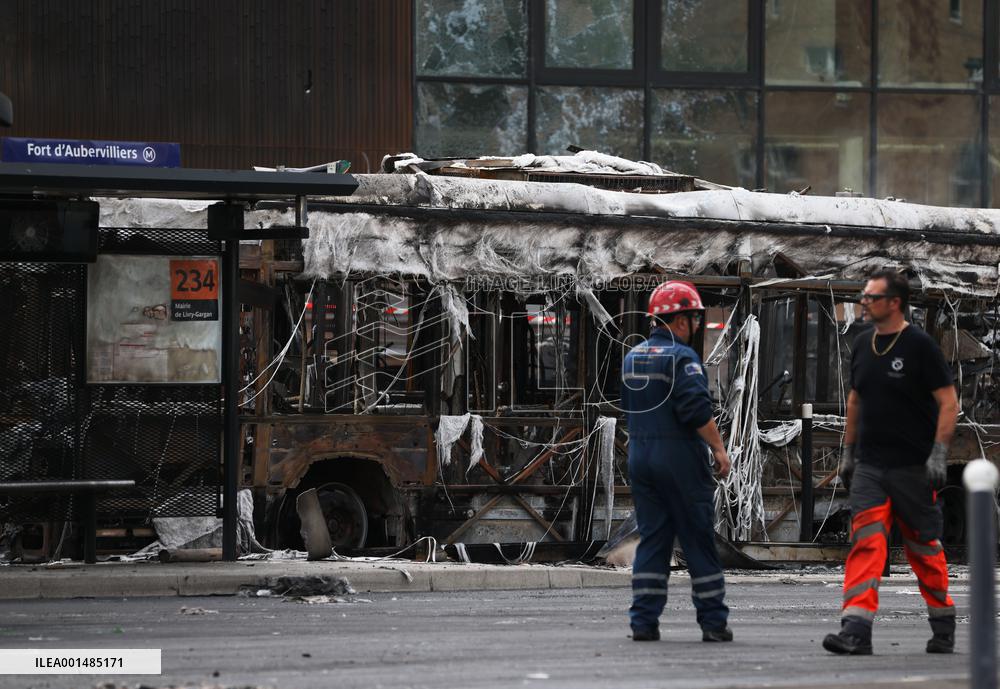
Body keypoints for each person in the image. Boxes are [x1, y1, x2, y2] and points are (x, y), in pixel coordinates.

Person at [824, 269, 959, 656]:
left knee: (923, 548)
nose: (863, 303)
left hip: (913, 468)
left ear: (894, 303)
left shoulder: (920, 347)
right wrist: (849, 452)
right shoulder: (864, 346)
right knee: (865, 544)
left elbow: (948, 402)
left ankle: (942, 623)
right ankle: (856, 630)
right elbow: (855, 401)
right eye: (863, 297)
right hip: (871, 466)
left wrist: (938, 452)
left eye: (871, 297)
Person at [621, 280, 732, 643]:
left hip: (641, 457)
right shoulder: (683, 359)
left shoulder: (632, 357)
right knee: (698, 540)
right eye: (695, 319)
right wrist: (718, 448)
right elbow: (696, 411)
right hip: (679, 459)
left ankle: (643, 622)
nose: (696, 327)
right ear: (681, 320)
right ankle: (713, 623)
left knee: (653, 539)